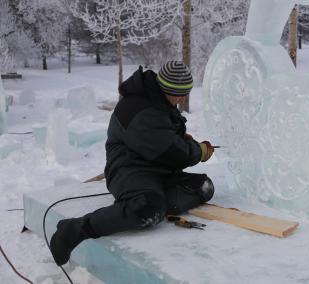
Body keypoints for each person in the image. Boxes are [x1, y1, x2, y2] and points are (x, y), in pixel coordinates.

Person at [49, 61, 215, 266]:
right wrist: (200, 151)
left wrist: (182, 138)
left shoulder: (159, 100)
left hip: (157, 167)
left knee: (204, 187)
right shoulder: (141, 109)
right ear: (165, 88)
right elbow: (172, 153)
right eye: (179, 94)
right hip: (129, 170)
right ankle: (76, 229)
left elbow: (165, 139)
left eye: (185, 93)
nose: (182, 99)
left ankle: (153, 200)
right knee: (148, 210)